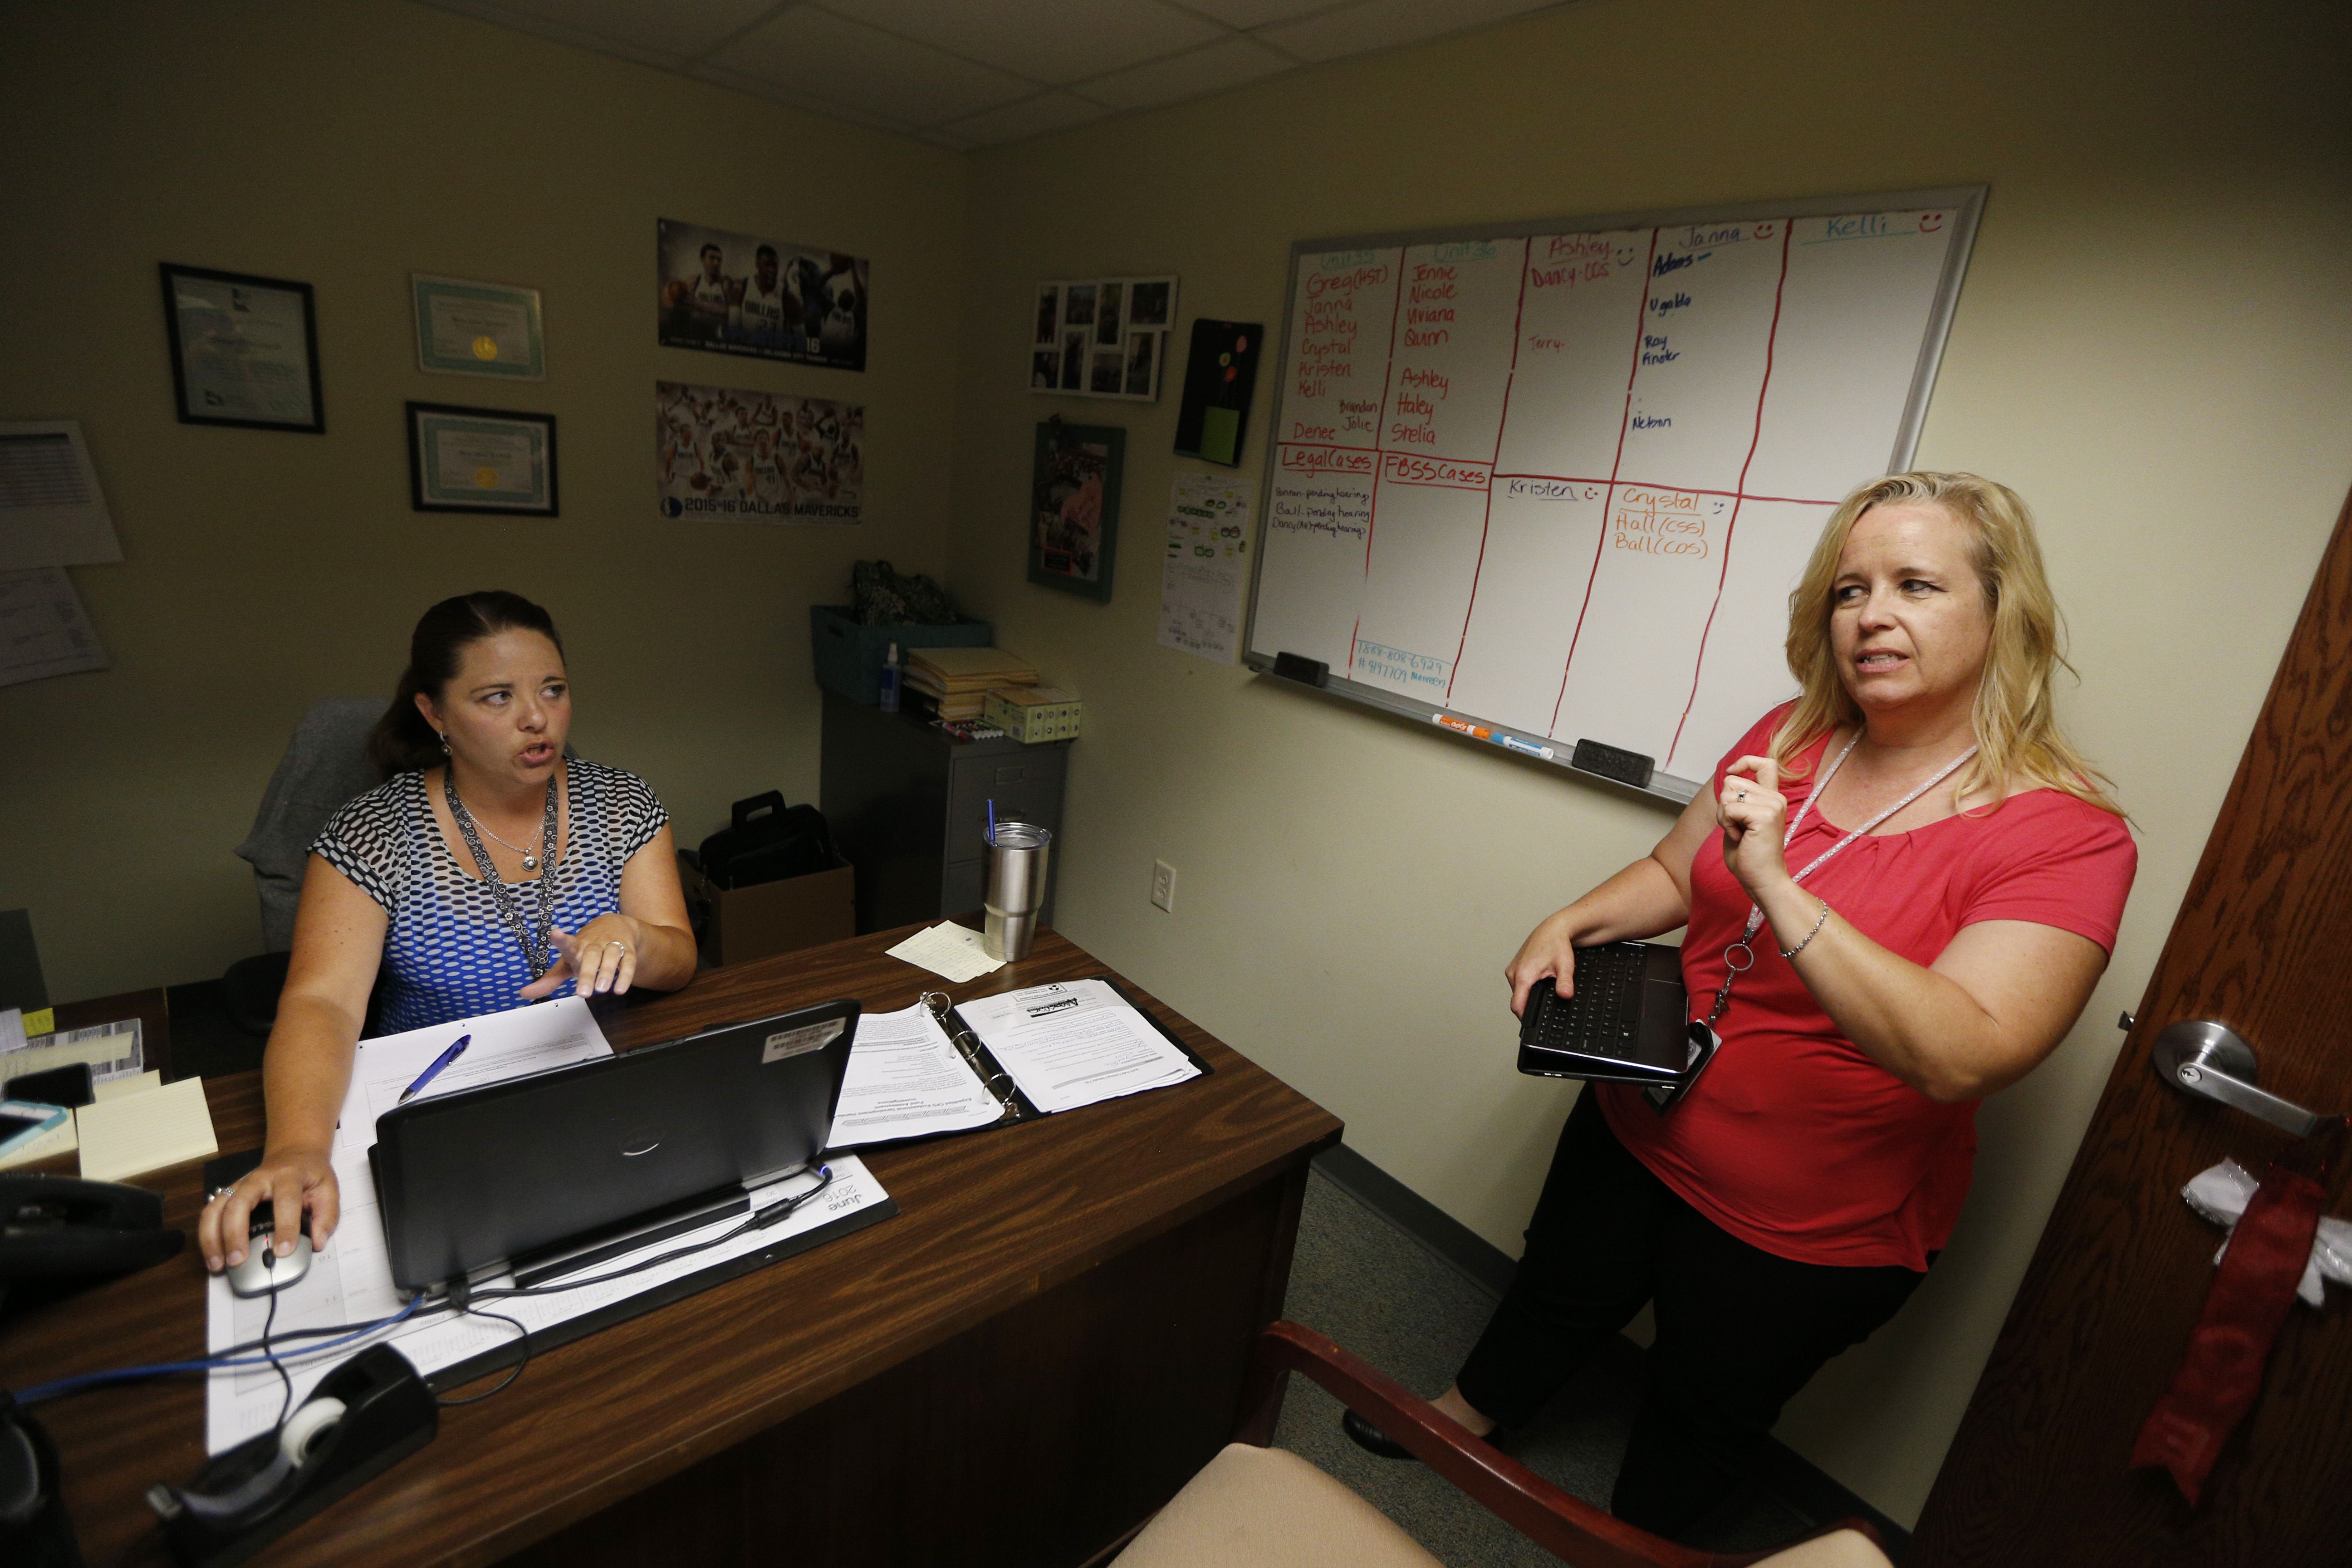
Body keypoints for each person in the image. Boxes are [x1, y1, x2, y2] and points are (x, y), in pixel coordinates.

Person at [1344, 472, 2137, 1539]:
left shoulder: (2066, 835)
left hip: (1807, 1226)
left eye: (1916, 585)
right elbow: (1678, 876)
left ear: (2004, 615)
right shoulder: (1795, 733)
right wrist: (1576, 919)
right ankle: (1467, 1414)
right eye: (1850, 591)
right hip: (1646, 1113)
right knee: (1560, 1285)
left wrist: (1776, 878)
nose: (1874, 616)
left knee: (1704, 1409)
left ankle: (1630, 1550)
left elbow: (1966, 1053)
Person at [197, 592, 696, 1277]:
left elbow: (680, 960)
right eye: (496, 698)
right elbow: (323, 1005)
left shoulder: (622, 805)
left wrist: (635, 938)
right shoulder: (371, 834)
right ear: (435, 714)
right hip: (448, 1111)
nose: (536, 717)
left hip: (603, 1094)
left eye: (553, 689)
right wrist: (296, 1149)